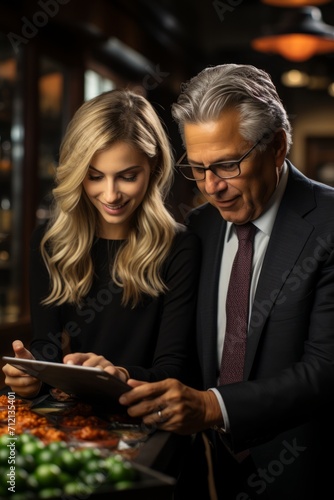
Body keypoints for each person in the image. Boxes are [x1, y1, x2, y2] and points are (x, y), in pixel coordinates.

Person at [118, 64, 334, 500]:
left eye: (227, 165)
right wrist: (118, 376)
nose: (211, 187)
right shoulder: (198, 228)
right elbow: (185, 362)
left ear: (276, 147)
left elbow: (324, 372)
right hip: (213, 474)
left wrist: (212, 407)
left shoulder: (329, 224)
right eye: (196, 169)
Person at [2, 89, 201, 400]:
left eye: (127, 176)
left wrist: (118, 375)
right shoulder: (50, 242)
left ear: (153, 168)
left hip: (145, 419)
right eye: (95, 177)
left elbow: (173, 370)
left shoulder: (180, 248)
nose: (110, 195)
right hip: (72, 422)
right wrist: (32, 374)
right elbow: (47, 347)